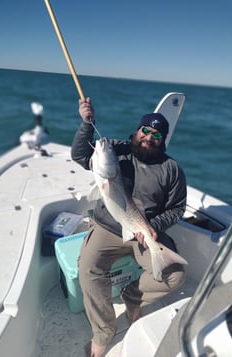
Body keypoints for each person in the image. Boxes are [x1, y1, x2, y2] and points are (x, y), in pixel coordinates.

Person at [71, 97, 187, 357]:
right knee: (88, 269)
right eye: (145, 130)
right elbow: (80, 155)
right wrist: (86, 125)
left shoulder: (172, 169)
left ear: (163, 139)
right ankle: (103, 333)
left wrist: (154, 226)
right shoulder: (114, 149)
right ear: (137, 131)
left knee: (176, 276)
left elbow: (177, 208)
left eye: (157, 134)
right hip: (107, 227)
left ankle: (132, 298)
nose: (149, 137)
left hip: (144, 233)